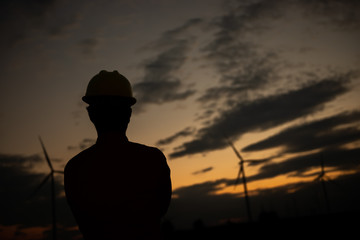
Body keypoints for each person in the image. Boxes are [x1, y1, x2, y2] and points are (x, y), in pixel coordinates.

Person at [64, 70, 172, 240]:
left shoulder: (75, 169)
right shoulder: (153, 160)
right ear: (128, 114)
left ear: (91, 115)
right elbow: (161, 209)